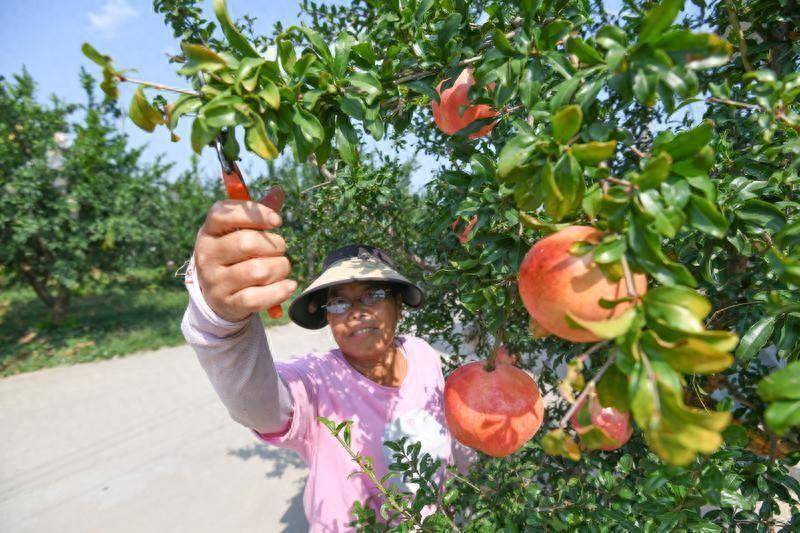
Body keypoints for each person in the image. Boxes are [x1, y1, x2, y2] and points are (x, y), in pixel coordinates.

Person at [180, 188, 471, 531]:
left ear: (399, 306)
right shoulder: (316, 380)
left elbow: (446, 435)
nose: (357, 312)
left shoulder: (422, 352)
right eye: (339, 302)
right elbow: (258, 404)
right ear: (328, 318)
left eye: (374, 294)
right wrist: (222, 323)